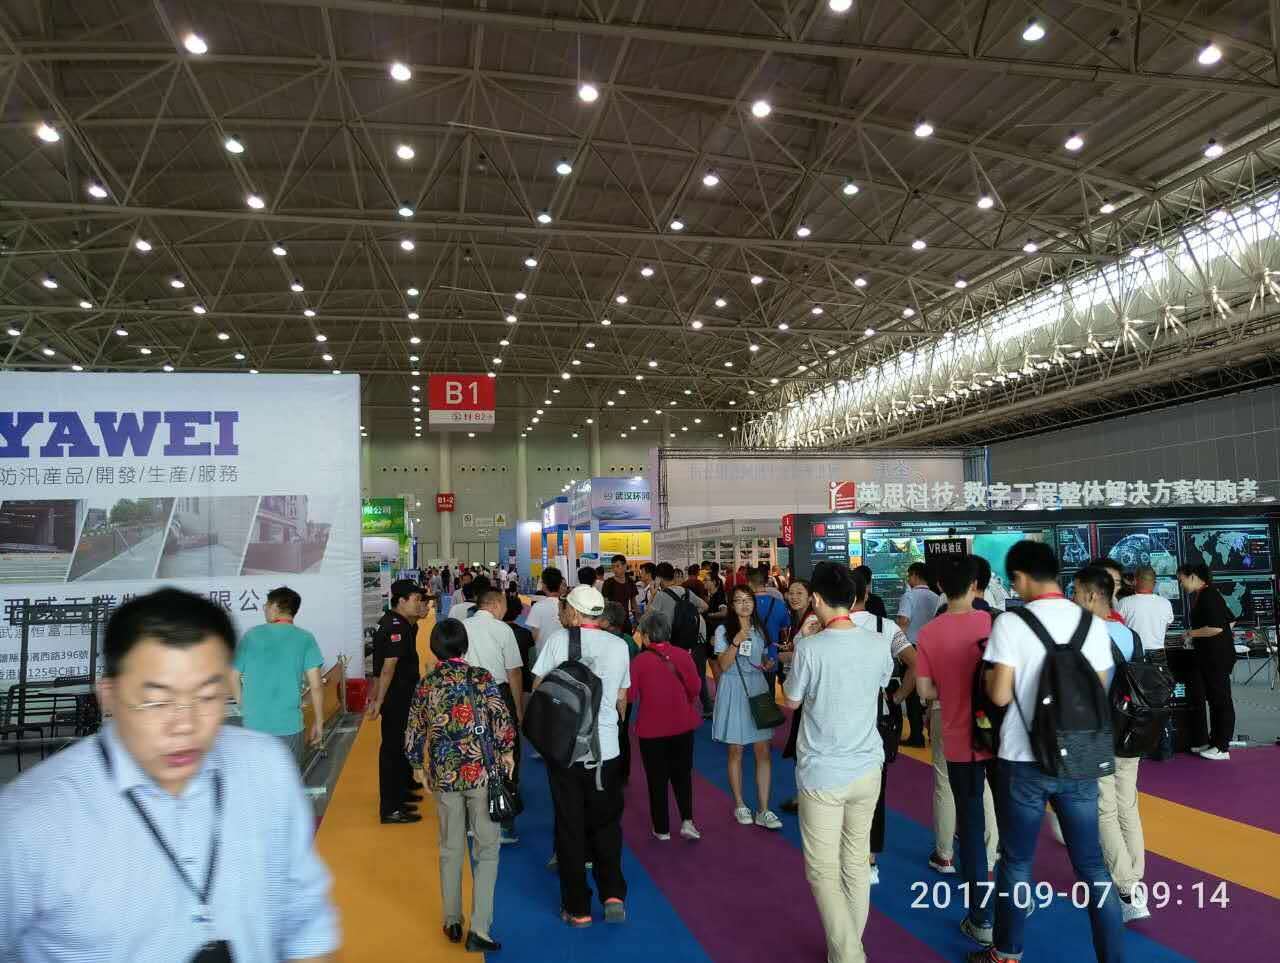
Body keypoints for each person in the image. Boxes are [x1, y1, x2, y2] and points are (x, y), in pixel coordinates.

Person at [0, 588, 341, 961]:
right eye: (156, 700)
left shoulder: (266, 772)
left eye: (206, 696)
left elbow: (306, 928)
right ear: (108, 695)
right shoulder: (28, 824)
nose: (185, 725)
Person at [972, 540, 1122, 963]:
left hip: (1024, 759)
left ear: (1020, 578)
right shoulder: (1092, 623)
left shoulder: (1011, 623)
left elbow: (1000, 696)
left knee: (1017, 862)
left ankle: (1007, 952)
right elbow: (1100, 689)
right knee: (1092, 867)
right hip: (1080, 757)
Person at [784, 563, 891, 963]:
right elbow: (881, 683)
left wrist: (805, 642)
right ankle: (846, 949)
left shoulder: (810, 648)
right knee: (856, 862)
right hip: (868, 766)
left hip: (823, 772)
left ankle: (849, 955)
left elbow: (791, 700)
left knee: (822, 870)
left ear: (815, 599)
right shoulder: (877, 642)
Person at [405, 618, 515, 952]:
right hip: (482, 773)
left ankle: (452, 919)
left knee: (450, 848)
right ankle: (479, 929)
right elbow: (501, 719)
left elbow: (415, 728)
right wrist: (507, 752)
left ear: (434, 648)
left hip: (444, 775)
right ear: (465, 647)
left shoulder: (427, 683)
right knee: (487, 851)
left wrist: (416, 764)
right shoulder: (481, 678)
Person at [532, 585, 632, 927]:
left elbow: (540, 688)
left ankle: (578, 908)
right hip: (607, 750)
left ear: (574, 613)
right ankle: (613, 894)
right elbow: (621, 697)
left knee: (570, 826)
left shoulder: (559, 641)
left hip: (567, 750)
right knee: (607, 824)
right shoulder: (619, 645)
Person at [915, 556, 1000, 945]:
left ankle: (980, 917)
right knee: (1006, 819)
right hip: (1000, 737)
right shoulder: (994, 622)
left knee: (969, 825)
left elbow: (924, 691)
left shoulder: (930, 632)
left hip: (958, 738)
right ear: (975, 585)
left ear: (940, 587)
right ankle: (1014, 902)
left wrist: (951, 691)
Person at [1074, 566, 1150, 923]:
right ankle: (1136, 876)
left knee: (1104, 809)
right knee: (1128, 805)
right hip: (1131, 730)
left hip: (1097, 732)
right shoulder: (1129, 634)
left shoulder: (1082, 636)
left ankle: (1127, 888)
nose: (1074, 598)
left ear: (1092, 595)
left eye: (1076, 591)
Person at [850, 572, 916, 884]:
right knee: (874, 789)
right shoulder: (886, 627)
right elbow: (916, 662)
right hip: (878, 716)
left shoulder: (826, 628)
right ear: (866, 592)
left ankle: (847, 856)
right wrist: (897, 696)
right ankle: (870, 860)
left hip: (838, 720)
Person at [229, 585, 325, 767]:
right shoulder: (305, 638)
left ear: (274, 606)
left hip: (254, 726)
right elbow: (316, 685)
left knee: (257, 780)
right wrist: (319, 722)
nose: (264, 608)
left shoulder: (251, 636)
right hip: (289, 725)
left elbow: (232, 676)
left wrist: (245, 706)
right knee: (288, 779)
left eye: (266, 605)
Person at [712, 584, 782, 830]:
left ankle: (764, 809)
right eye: (739, 600)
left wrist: (766, 662)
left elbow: (758, 658)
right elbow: (723, 665)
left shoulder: (759, 628)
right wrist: (735, 642)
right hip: (733, 688)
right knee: (736, 750)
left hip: (757, 687)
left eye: (748, 599)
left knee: (763, 751)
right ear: (732, 605)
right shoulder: (723, 630)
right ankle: (740, 804)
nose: (744, 604)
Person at [629, 609, 702, 841]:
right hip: (682, 724)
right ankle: (687, 821)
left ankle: (661, 828)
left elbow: (630, 695)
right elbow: (696, 687)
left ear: (645, 636)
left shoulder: (639, 661)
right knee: (683, 775)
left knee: (656, 778)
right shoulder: (683, 655)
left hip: (651, 730)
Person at [463, 588, 526, 843]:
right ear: (497, 604)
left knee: (472, 753)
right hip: (497, 694)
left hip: (467, 697)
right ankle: (504, 824)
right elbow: (514, 673)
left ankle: (473, 822)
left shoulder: (461, 627)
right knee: (505, 753)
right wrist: (518, 709)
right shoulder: (503, 630)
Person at [368, 579, 428, 824]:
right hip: (395, 698)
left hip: (403, 695)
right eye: (416, 599)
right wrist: (378, 700)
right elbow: (387, 668)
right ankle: (391, 808)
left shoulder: (401, 623)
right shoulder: (396, 627)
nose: (420, 603)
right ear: (401, 601)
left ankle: (402, 792)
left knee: (404, 744)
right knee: (392, 751)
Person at [1176, 561, 1236, 761]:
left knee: (1221, 700)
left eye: (1182, 580)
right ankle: (1214, 741)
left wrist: (1191, 634)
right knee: (1214, 699)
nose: (1181, 585)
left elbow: (1217, 627)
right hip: (1211, 656)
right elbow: (1230, 620)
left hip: (1216, 658)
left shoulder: (1209, 596)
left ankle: (1222, 746)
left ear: (1193, 576)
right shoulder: (1206, 594)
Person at [780, 579, 822, 813]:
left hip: (808, 694)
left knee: (806, 747)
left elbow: (812, 654)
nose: (794, 597)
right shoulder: (801, 619)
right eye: (791, 592)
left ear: (810, 597)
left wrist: (788, 656)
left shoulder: (812, 620)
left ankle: (807, 798)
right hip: (803, 691)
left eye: (799, 593)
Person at [650, 561, 713, 718]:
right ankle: (707, 707)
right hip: (697, 637)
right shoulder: (686, 591)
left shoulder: (661, 596)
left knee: (675, 674)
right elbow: (705, 606)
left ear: (659, 578)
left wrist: (653, 594)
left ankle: (679, 708)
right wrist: (691, 616)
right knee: (699, 673)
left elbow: (649, 616)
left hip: (675, 640)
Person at [1117, 566, 1175, 652]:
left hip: (1134, 652)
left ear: (1135, 581)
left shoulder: (1124, 602)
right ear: (1154, 583)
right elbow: (1165, 628)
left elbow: (1117, 629)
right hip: (1158, 653)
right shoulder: (1166, 603)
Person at [526, 566, 566, 652]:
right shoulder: (566, 606)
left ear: (544, 585)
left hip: (543, 653)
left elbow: (534, 634)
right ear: (560, 585)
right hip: (563, 652)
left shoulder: (537, 607)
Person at [601, 554, 639, 624]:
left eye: (617, 566)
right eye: (613, 567)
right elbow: (605, 602)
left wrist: (637, 619)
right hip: (612, 621)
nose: (615, 569)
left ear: (625, 566)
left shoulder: (630, 582)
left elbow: (633, 602)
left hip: (626, 619)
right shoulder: (608, 583)